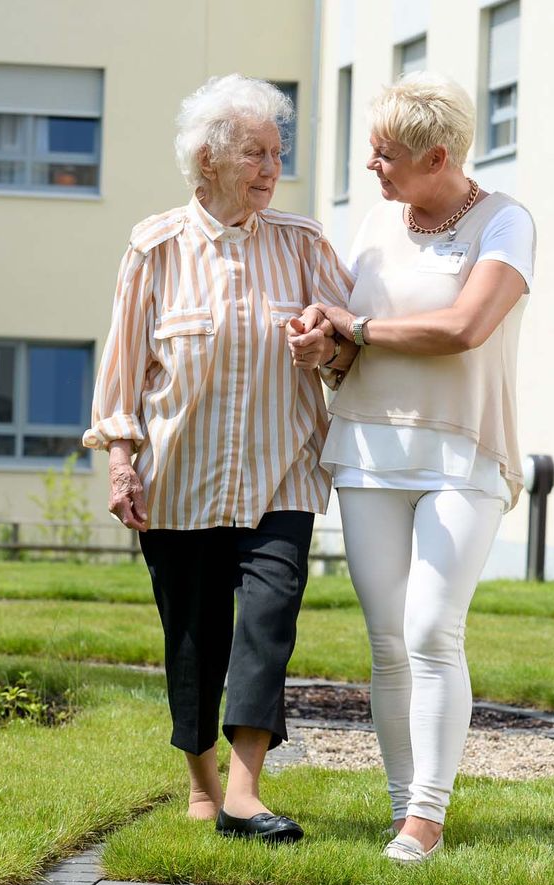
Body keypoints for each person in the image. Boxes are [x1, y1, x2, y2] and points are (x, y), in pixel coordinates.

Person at [82, 75, 354, 845]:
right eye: (255, 152)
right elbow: (123, 369)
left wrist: (327, 345)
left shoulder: (303, 243)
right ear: (207, 158)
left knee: (267, 622)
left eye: (277, 152)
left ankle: (243, 793)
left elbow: (352, 344)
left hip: (281, 474)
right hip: (177, 482)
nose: (272, 167)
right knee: (193, 635)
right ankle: (202, 784)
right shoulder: (155, 245)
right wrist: (121, 463)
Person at [289, 72, 534, 864]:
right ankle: (405, 813)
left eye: (385, 153)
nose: (372, 165)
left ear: (437, 157)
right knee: (388, 640)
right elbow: (351, 339)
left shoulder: (505, 223)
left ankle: (429, 814)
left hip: (462, 451)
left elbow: (464, 327)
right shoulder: (373, 222)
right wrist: (324, 344)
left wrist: (354, 323)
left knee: (433, 627)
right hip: (367, 446)